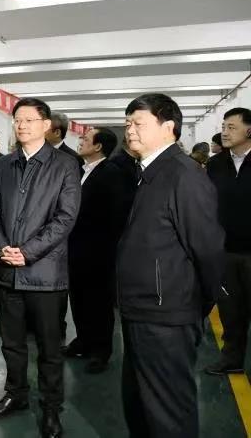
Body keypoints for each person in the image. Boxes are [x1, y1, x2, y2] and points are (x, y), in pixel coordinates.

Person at [118, 93, 224, 438]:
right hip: (143, 309)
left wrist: (195, 304)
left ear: (169, 127)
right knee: (140, 404)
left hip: (166, 315)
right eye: (127, 123)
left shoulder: (183, 175)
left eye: (138, 123)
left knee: (168, 412)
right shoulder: (149, 171)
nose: (130, 130)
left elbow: (207, 249)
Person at [0, 98, 81, 438]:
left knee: (50, 348)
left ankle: (51, 408)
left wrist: (27, 252)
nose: (21, 125)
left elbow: (65, 218)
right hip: (7, 272)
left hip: (45, 276)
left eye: (29, 119)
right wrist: (2, 247)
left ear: (46, 125)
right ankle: (16, 394)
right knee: (11, 343)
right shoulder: (3, 165)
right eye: (17, 120)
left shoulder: (65, 165)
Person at [64, 127, 128, 374]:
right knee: (79, 298)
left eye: (85, 139)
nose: (80, 141)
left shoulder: (110, 173)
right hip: (76, 248)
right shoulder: (82, 170)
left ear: (98, 146)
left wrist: (105, 248)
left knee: (99, 303)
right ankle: (83, 340)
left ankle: (101, 350)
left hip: (98, 252)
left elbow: (115, 216)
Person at [205, 107, 251, 375]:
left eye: (231, 127)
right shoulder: (216, 164)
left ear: (249, 130)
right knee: (230, 311)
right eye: (223, 126)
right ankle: (231, 359)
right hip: (225, 252)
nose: (224, 132)